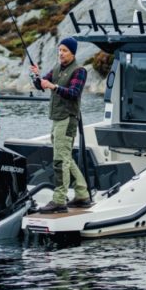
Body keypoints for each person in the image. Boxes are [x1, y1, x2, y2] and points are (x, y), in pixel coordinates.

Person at [30, 37, 92, 212]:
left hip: (67, 119)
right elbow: (42, 85)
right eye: (59, 50)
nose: (61, 53)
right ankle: (82, 195)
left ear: (72, 52)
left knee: (60, 160)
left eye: (64, 50)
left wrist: (54, 86)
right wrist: (37, 75)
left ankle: (59, 200)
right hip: (57, 118)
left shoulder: (79, 70)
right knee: (65, 158)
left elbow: (73, 93)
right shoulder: (57, 68)